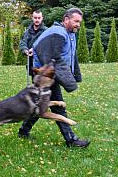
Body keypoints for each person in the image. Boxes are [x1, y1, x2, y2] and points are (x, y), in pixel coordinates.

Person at [18, 8, 90, 148]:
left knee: (40, 105)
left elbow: (71, 56)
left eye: (80, 22)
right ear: (66, 19)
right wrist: (70, 83)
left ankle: (23, 130)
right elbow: (52, 59)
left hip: (52, 74)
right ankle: (71, 140)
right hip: (45, 75)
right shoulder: (57, 33)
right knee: (58, 107)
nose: (78, 24)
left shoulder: (70, 34)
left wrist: (75, 75)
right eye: (76, 21)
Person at [19, 10, 47, 78]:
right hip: (32, 62)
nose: (37, 20)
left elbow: (46, 45)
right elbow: (23, 43)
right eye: (35, 18)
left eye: (39, 18)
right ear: (32, 18)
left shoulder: (46, 31)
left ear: (42, 18)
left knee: (44, 84)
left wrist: (34, 49)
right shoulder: (27, 31)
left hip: (43, 62)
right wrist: (25, 50)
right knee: (35, 82)